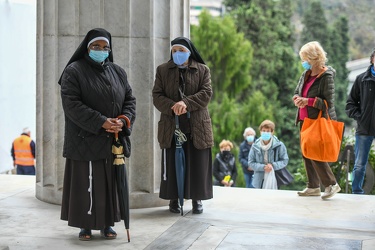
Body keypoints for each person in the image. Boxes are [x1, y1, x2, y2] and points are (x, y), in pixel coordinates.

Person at [58, 28, 136, 241]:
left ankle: (107, 223)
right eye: (96, 46)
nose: (101, 50)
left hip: (114, 139)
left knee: (110, 183)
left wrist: (122, 120)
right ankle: (85, 225)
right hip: (84, 138)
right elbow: (71, 104)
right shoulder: (74, 71)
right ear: (87, 47)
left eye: (105, 47)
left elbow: (130, 100)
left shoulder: (118, 71)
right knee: (88, 182)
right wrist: (102, 122)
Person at [152, 37, 213, 214]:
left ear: (189, 51)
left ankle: (197, 199)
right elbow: (157, 95)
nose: (177, 53)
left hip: (197, 124)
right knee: (173, 162)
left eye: (181, 50)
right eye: (174, 50)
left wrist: (186, 103)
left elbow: (206, 93)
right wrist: (173, 106)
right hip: (172, 123)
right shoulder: (163, 70)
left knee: (196, 161)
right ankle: (173, 198)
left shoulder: (202, 70)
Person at [293, 41, 341, 199]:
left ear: (313, 58)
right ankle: (313, 186)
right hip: (303, 119)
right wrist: (297, 99)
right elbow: (298, 91)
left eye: (305, 58)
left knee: (313, 153)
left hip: (316, 120)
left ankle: (331, 184)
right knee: (306, 153)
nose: (303, 62)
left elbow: (328, 103)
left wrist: (308, 101)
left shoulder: (326, 76)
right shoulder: (306, 74)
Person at [345, 48, 375, 194]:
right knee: (359, 164)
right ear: (372, 59)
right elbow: (350, 104)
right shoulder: (361, 79)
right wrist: (360, 117)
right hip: (364, 129)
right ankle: (356, 192)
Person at [248, 120, 289, 189]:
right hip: (259, 180)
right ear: (260, 131)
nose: (265, 133)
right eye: (263, 131)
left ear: (272, 132)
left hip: (275, 178)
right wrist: (263, 167)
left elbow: (285, 160)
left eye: (268, 131)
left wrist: (273, 165)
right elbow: (251, 163)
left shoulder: (279, 145)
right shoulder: (255, 146)